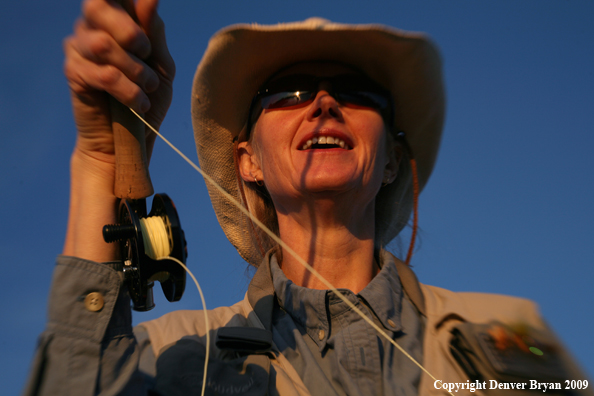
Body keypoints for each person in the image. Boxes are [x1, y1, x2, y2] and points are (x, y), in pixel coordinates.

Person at [24, 0, 592, 395]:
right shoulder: (171, 358)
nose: (323, 103)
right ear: (247, 160)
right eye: (287, 94)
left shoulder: (510, 333)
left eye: (355, 93)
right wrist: (100, 159)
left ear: (392, 159)